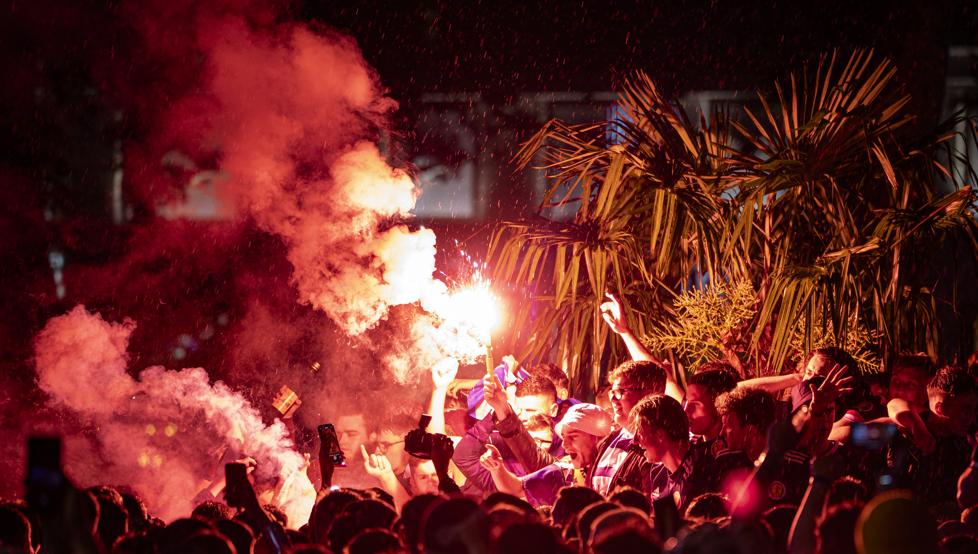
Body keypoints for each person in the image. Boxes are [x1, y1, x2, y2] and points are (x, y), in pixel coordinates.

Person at [482, 403, 614, 506]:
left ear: (598, 438)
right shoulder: (565, 471)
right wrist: (497, 468)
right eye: (563, 437)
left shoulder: (619, 471)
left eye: (573, 437)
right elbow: (517, 489)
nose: (564, 445)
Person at [590, 360, 667, 496]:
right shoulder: (606, 442)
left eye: (621, 391)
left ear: (649, 394)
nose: (613, 399)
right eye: (611, 392)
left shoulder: (661, 446)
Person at [631, 395, 715, 511]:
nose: (635, 440)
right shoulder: (658, 476)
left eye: (639, 432)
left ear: (660, 435)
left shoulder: (702, 469)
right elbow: (666, 527)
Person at [684, 364, 738, 450]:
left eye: (696, 404)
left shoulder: (732, 451)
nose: (686, 410)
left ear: (720, 405)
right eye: (687, 402)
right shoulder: (690, 447)